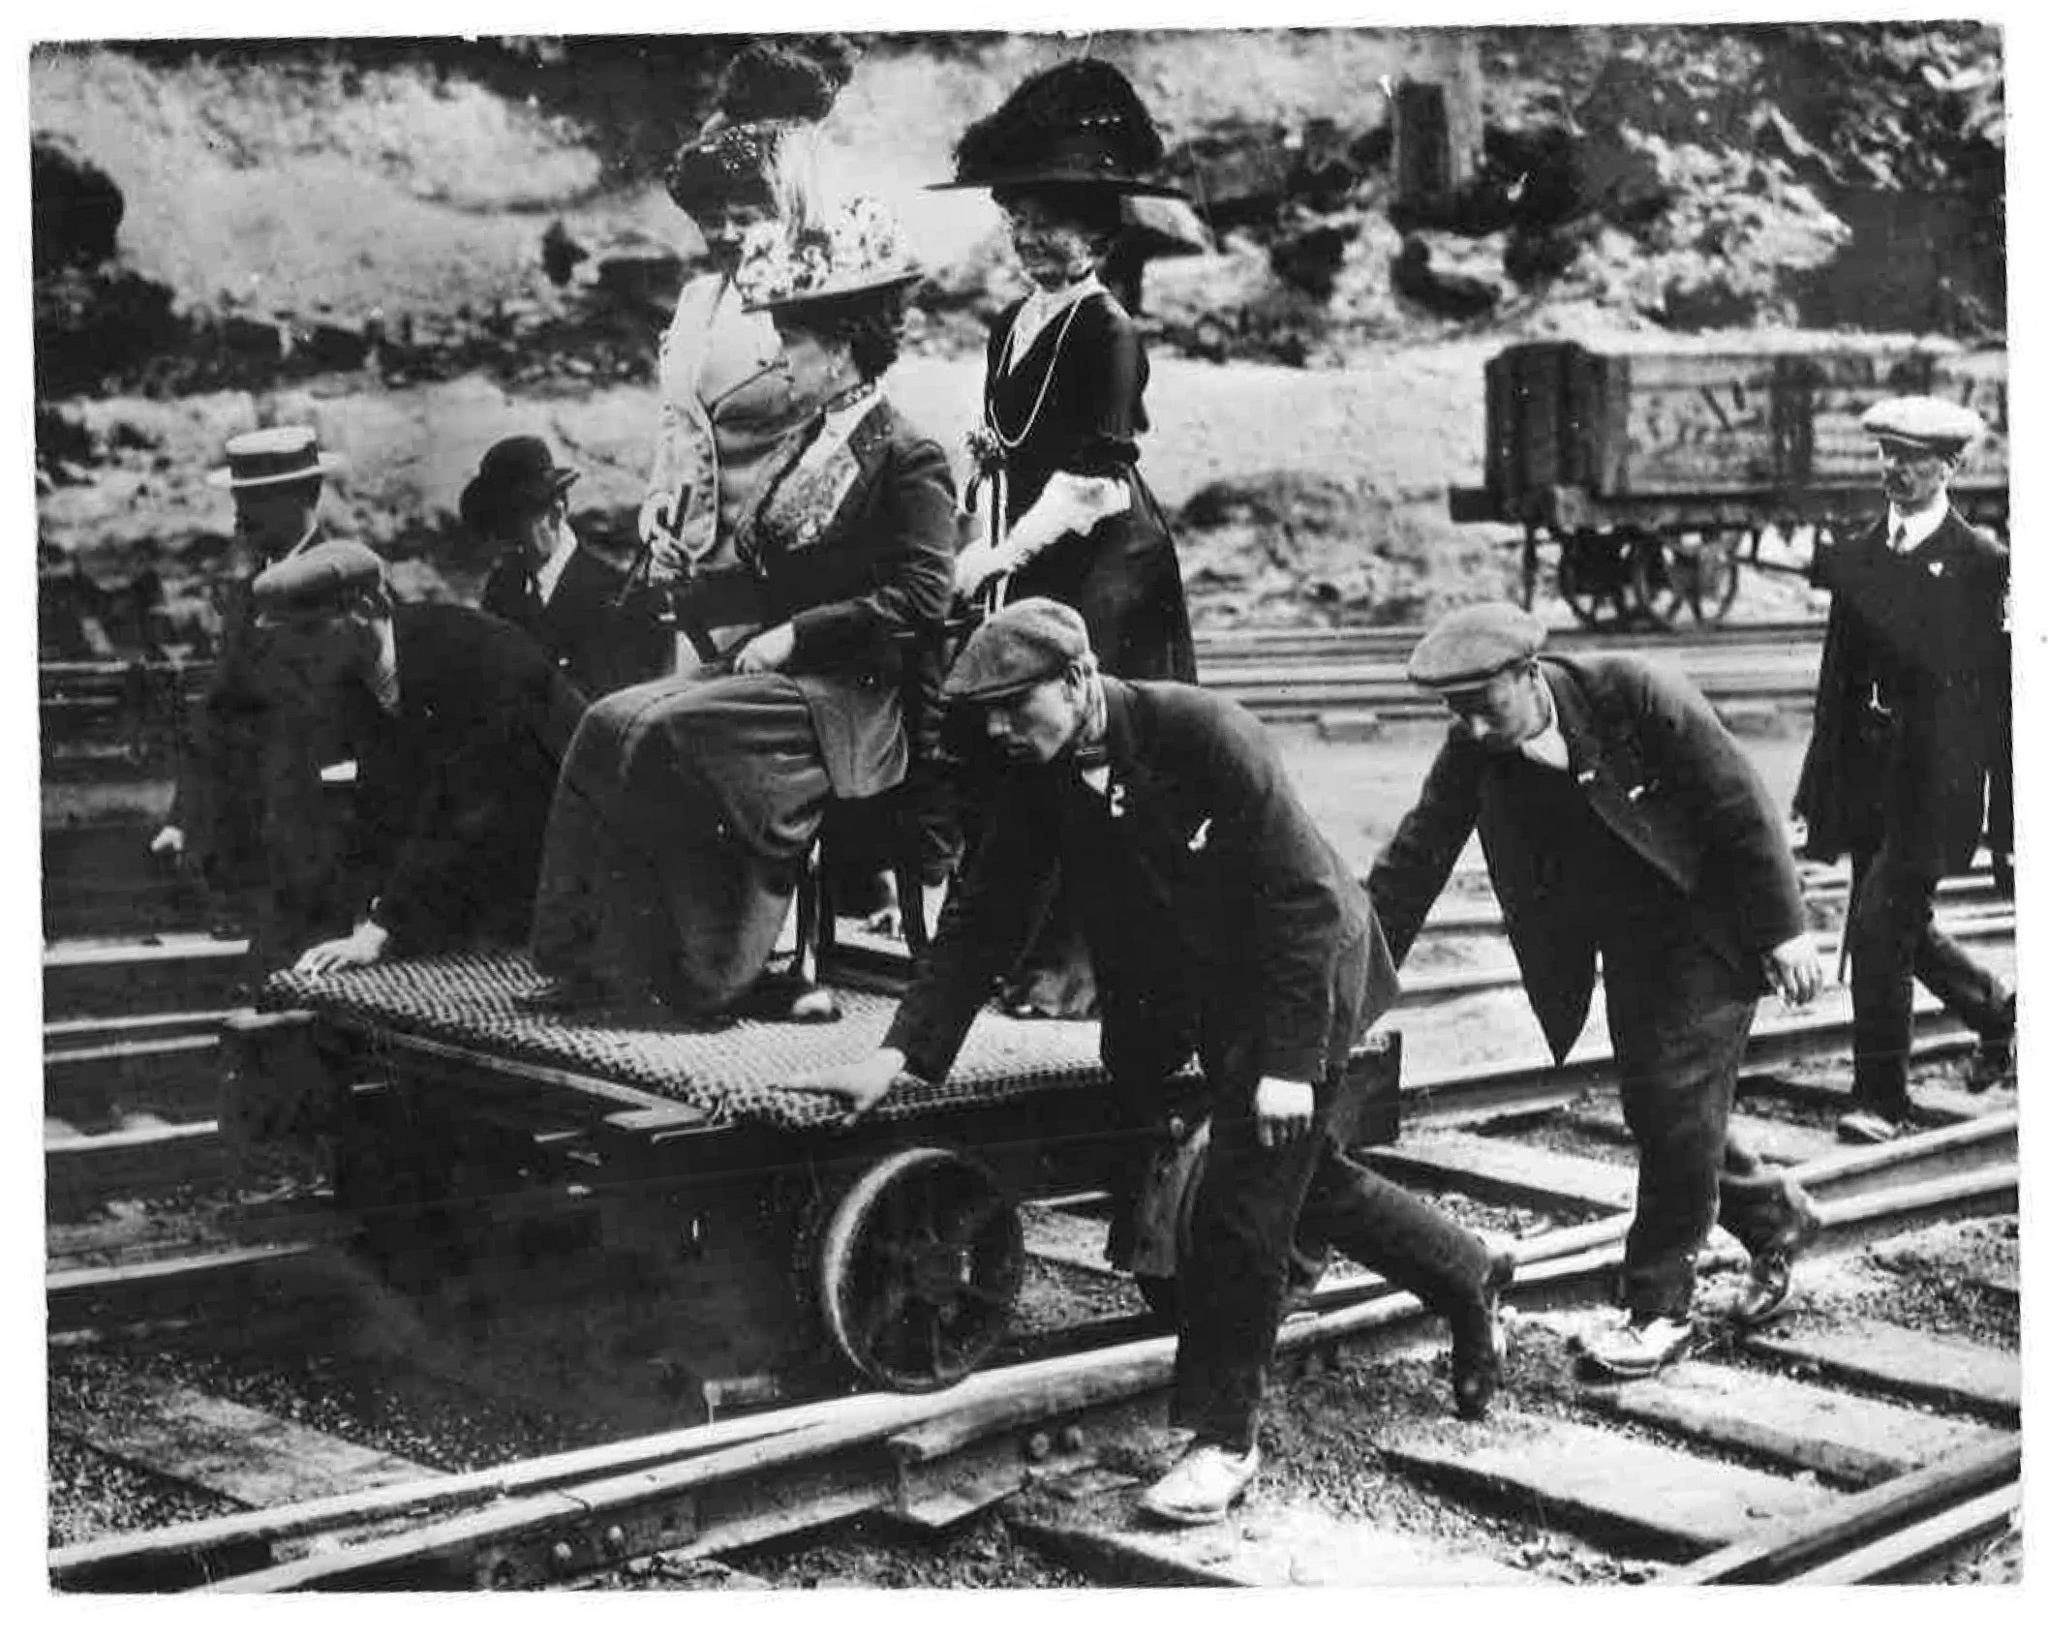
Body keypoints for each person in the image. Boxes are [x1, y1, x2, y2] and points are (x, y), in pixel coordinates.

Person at [791, 598, 1513, 1528]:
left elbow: (1300, 905)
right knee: (1306, 1181)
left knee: (1240, 1205)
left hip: (1303, 978)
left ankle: (1225, 1444)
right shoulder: (1040, 772)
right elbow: (985, 918)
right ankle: (1466, 1269)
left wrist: (1290, 1063)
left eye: (1018, 707)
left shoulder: (1207, 735)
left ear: (1081, 680)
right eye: (990, 717)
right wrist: (895, 1055)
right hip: (1209, 987)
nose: (1004, 730)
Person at [1366, 603, 1828, 1381]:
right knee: (1658, 1103)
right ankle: (1774, 1218)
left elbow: (1741, 803)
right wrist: (1356, 978)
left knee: (1675, 1102)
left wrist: (1787, 929)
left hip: (1712, 921)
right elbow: (1415, 861)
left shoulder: (1634, 694)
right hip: (1632, 936)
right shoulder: (1473, 750)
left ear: (1528, 674)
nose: (1473, 727)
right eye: (1458, 712)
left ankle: (1658, 1311)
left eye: (1485, 707)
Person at [527, 196, 957, 1021]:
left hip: (855, 699)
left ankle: (709, 968)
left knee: (670, 730)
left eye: (792, 346)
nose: (782, 363)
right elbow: (768, 572)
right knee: (609, 717)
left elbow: (922, 598)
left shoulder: (908, 453)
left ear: (838, 353)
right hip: (785, 675)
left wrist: (798, 633)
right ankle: (596, 957)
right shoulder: (810, 442)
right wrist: (680, 581)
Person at [931, 56, 1200, 1019]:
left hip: (1104, 559)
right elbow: (1002, 442)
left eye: (1053, 221)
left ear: (1097, 229)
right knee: (1005, 746)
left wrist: (999, 558)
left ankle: (1090, 963)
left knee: (1083, 747)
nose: (1033, 239)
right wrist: (977, 531)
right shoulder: (1010, 323)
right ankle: (1019, 946)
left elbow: (1092, 477)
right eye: (1020, 220)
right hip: (1027, 542)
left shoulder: (1109, 329)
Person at [1792, 396, 2015, 1145]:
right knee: (1898, 927)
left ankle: (1880, 1098)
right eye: (1886, 452)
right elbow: (1835, 685)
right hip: (1864, 783)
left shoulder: (1984, 565)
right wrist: (1815, 787)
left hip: (1937, 788)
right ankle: (1996, 1008)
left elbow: (2001, 705)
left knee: (1880, 928)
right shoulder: (1859, 556)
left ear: (1952, 466)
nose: (1895, 468)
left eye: (1913, 457)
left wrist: (2006, 824)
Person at [255, 542, 587, 976]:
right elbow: (378, 807)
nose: (296, 653)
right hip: (480, 878)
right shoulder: (349, 683)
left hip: (568, 871)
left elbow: (467, 807)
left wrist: (381, 928)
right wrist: (367, 913)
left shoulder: (474, 655)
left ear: (368, 605)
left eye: (311, 632)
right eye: (285, 639)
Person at [637, 44, 853, 586]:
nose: (727, 234)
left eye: (745, 217)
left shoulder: (818, 307)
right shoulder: (698, 301)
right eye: (713, 219)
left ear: (783, 217)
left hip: (786, 578)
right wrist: (660, 507)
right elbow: (678, 423)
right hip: (691, 576)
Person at [149, 426, 357, 973]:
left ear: (303, 498)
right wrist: (184, 817)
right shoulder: (247, 595)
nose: (240, 518)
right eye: (240, 501)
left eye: (255, 502)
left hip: (329, 835)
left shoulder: (348, 582)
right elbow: (219, 712)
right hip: (261, 835)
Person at [467, 435, 671, 699]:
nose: (507, 540)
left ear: (556, 512)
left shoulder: (621, 597)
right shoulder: (501, 589)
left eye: (516, 522)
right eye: (500, 526)